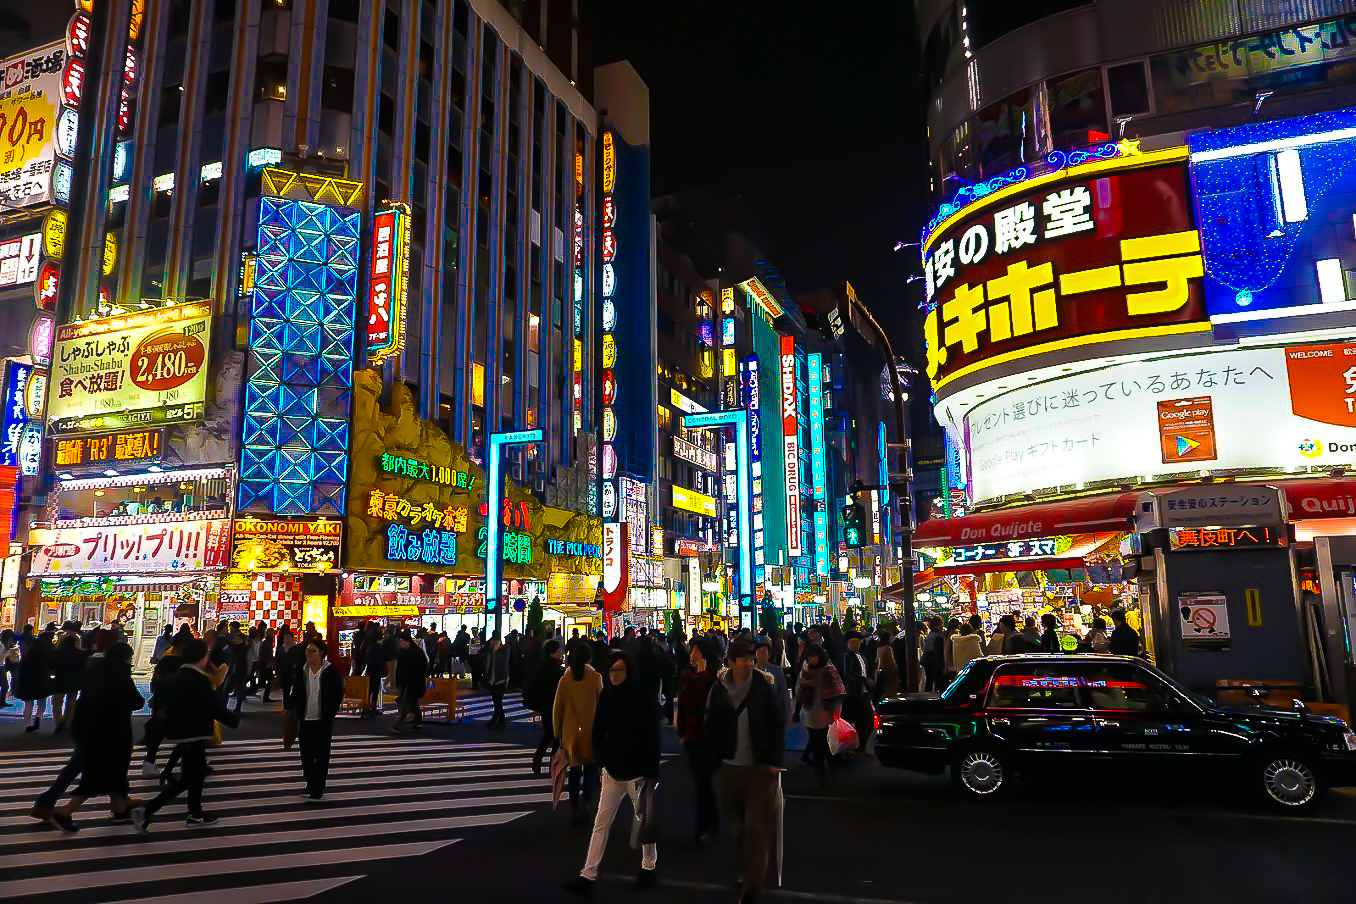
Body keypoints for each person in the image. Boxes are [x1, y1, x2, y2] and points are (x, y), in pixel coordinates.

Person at [562, 652, 661, 896]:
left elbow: (652, 735)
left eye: (620, 670)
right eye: (612, 670)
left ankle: (648, 866)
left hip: (638, 771)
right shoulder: (608, 695)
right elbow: (598, 730)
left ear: (629, 672)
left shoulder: (642, 696)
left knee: (643, 820)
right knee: (601, 823)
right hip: (613, 769)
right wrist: (603, 760)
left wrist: (651, 772)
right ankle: (588, 874)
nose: (614, 675)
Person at [706, 641, 785, 903]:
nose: (749, 664)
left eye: (751, 659)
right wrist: (713, 760)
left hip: (759, 768)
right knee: (739, 828)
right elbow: (711, 725)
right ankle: (744, 869)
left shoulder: (764, 687)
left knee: (755, 827)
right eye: (743, 660)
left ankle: (751, 886)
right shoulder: (718, 690)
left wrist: (774, 761)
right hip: (729, 767)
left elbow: (776, 724)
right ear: (730, 662)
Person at [134, 638, 241, 832]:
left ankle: (195, 813)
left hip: (182, 733)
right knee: (189, 778)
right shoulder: (198, 679)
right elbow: (212, 706)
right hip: (194, 733)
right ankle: (148, 809)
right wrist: (233, 719)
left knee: (196, 775)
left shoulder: (178, 676)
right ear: (202, 658)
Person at [44, 642, 145, 833]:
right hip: (113, 733)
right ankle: (65, 812)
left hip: (91, 731)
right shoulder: (120, 675)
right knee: (101, 777)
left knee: (113, 775)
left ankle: (119, 810)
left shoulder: (94, 672)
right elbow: (136, 701)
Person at [554, 642, 604, 825]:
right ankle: (588, 804)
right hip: (591, 732)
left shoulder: (565, 679)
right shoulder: (596, 677)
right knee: (590, 771)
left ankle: (575, 808)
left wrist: (556, 731)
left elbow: (557, 708)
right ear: (590, 658)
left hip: (570, 734)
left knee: (574, 772)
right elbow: (602, 706)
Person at [677, 637, 720, 844]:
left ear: (702, 653)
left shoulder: (711, 680)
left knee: (703, 782)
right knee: (701, 783)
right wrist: (682, 733)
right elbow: (683, 708)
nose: (691, 653)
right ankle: (709, 823)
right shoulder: (687, 678)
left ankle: (705, 825)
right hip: (692, 737)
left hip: (708, 738)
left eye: (694, 650)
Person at [292, 637, 343, 801]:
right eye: (307, 650)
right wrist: (293, 709)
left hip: (323, 719)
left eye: (312, 651)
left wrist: (329, 714)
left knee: (321, 754)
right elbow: (297, 692)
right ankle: (310, 783)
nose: (308, 654)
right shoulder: (303, 670)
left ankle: (318, 787)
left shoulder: (331, 673)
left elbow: (336, 696)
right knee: (306, 754)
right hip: (305, 718)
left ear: (321, 653)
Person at [796, 643, 844, 788]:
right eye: (810, 657)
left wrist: (836, 715)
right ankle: (821, 778)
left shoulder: (829, 670)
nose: (812, 660)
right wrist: (806, 684)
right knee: (817, 749)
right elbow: (798, 689)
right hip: (812, 715)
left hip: (827, 715)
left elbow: (838, 692)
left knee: (829, 748)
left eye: (815, 656)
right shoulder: (806, 671)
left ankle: (833, 776)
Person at [141, 630, 188, 776]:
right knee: (186, 734)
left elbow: (155, 682)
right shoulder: (179, 662)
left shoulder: (166, 660)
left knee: (168, 734)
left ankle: (150, 762)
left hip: (163, 703)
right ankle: (151, 763)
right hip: (172, 703)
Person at [525, 639, 565, 774]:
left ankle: (538, 758)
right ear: (551, 653)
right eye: (558, 651)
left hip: (544, 706)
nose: (560, 653)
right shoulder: (559, 671)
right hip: (556, 706)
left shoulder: (540, 668)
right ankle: (553, 763)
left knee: (549, 733)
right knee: (556, 736)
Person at [15, 629, 54, 732]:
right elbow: (50, 668)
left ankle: (27, 724)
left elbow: (21, 673)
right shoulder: (45, 656)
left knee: (28, 704)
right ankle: (38, 717)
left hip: (28, 684)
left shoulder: (27, 659)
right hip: (41, 682)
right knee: (41, 703)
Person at [840, 632, 873, 754]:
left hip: (863, 692)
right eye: (853, 642)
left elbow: (864, 670)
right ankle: (857, 748)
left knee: (865, 721)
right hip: (854, 693)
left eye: (858, 641)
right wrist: (864, 679)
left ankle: (859, 748)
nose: (856, 644)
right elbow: (848, 673)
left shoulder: (860, 655)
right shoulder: (847, 656)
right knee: (866, 720)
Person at [49, 631, 86, 733]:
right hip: (74, 681)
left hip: (60, 680)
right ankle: (68, 723)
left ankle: (59, 721)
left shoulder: (57, 653)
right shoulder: (81, 654)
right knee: (71, 703)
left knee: (57, 703)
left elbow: (51, 667)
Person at [392, 631, 428, 733]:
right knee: (412, 702)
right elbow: (400, 668)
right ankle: (418, 721)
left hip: (414, 682)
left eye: (402, 642)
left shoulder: (416, 653)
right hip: (406, 682)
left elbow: (422, 667)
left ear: (407, 642)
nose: (400, 644)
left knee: (405, 702)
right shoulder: (404, 653)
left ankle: (399, 724)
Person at [484, 632, 510, 728]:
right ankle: (502, 719)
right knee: (496, 701)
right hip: (491, 680)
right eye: (492, 641)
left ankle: (494, 720)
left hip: (501, 679)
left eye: (494, 641)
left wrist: (495, 650)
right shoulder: (490, 651)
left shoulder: (505, 649)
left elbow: (504, 660)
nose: (493, 643)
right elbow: (487, 663)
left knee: (498, 701)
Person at [362, 625, 386, 716]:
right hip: (376, 671)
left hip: (370, 670)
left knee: (370, 689)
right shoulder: (377, 647)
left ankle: (366, 707)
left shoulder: (370, 646)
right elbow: (381, 660)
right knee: (374, 689)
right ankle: (372, 707)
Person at [920, 617, 946, 692]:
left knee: (929, 682)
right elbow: (939, 652)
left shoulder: (929, 635)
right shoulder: (939, 636)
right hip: (934, 661)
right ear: (936, 626)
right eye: (941, 625)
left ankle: (927, 698)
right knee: (939, 682)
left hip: (926, 660)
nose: (942, 627)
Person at [0, 628, 17, 706]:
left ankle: (2, 701)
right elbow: (1, 656)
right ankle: (2, 702)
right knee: (5, 685)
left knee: (4, 685)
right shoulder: (1, 645)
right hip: (0, 666)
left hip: (2, 666)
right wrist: (9, 652)